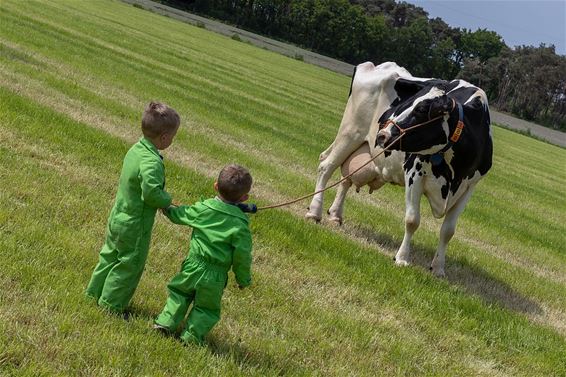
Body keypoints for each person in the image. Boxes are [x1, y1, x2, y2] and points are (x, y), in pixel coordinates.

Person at [85, 101, 180, 314]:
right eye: (173, 137)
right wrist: (167, 200)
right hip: (135, 224)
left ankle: (94, 293)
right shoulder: (151, 161)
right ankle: (110, 305)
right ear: (164, 137)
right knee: (129, 264)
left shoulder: (136, 149)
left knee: (109, 256)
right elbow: (151, 194)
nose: (172, 141)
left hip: (119, 215)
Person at [154, 164, 254, 346]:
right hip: (215, 276)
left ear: (216, 186)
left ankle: (166, 323)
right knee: (207, 308)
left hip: (193, 265)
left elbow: (182, 214)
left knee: (179, 293)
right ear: (245, 197)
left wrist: (166, 208)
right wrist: (243, 279)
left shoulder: (204, 209)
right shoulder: (240, 225)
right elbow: (242, 256)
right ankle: (190, 337)